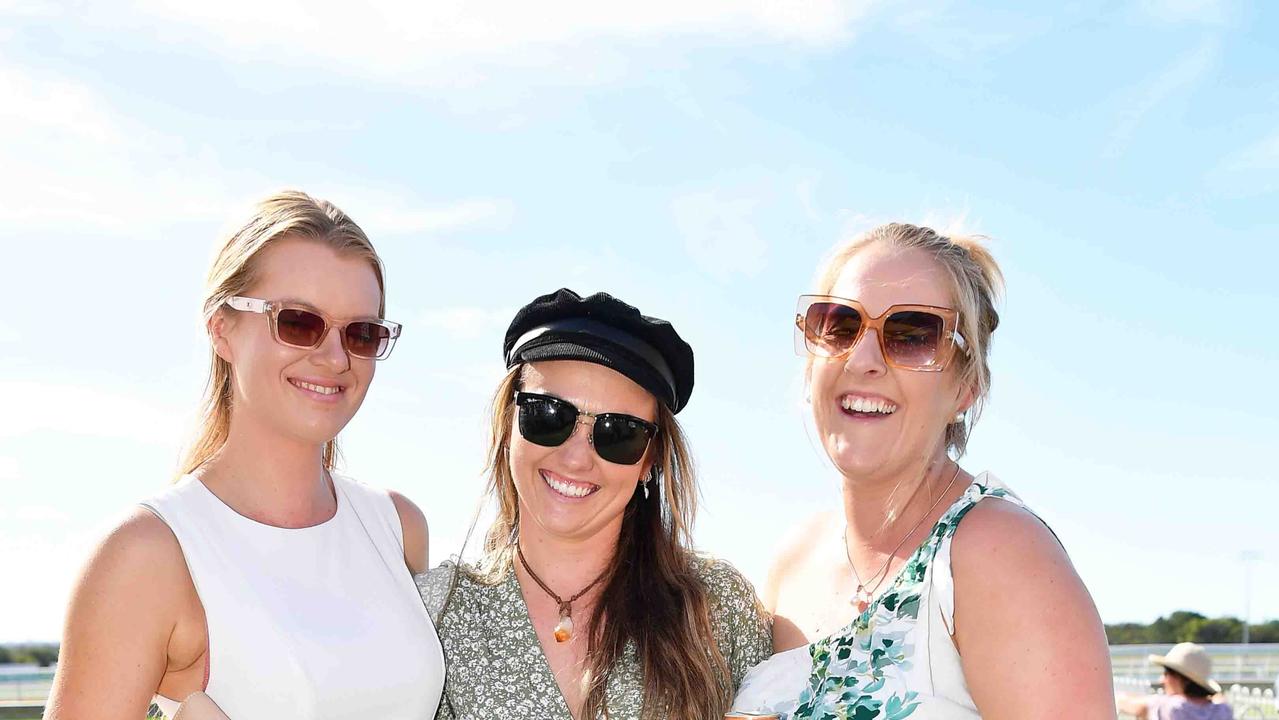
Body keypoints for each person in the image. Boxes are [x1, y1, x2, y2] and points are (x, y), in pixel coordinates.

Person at [45, 191, 444, 719]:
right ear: (221, 329)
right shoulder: (149, 554)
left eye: (361, 333)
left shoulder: (397, 527)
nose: (334, 356)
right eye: (299, 322)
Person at [731, 223, 1114, 718]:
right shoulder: (792, 559)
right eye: (841, 325)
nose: (863, 359)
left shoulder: (996, 552)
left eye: (912, 335)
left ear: (965, 388)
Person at [418, 288, 772, 720]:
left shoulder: (717, 607)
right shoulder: (437, 615)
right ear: (508, 423)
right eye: (548, 414)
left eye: (618, 434)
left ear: (650, 461)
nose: (575, 458)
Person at [1117, 643, 1231, 719]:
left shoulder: (1173, 707)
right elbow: (1218, 698)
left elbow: (1133, 705)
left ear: (1181, 678)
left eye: (1166, 674)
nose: (1162, 680)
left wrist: (1118, 696)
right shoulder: (1223, 710)